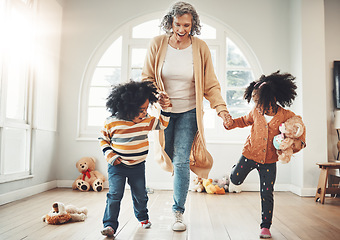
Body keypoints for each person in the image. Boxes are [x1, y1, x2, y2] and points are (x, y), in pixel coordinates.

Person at [141, 1, 233, 232]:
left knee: (182, 160)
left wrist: (221, 109)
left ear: (193, 25)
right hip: (164, 112)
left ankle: (178, 211)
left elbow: (211, 84)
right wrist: (157, 95)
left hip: (190, 112)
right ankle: (178, 190)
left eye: (187, 25)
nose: (182, 29)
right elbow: (146, 78)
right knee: (170, 154)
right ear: (170, 22)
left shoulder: (200, 47)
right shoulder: (157, 44)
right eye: (178, 24)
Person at [224, 71, 306, 239]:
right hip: (249, 155)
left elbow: (299, 128)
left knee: (267, 192)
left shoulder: (285, 115)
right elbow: (242, 121)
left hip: (269, 162)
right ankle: (231, 175)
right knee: (235, 180)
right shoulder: (256, 112)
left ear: (272, 98)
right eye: (255, 101)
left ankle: (265, 226)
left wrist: (296, 143)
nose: (257, 103)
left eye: (258, 100)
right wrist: (230, 123)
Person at [98, 81, 171, 238]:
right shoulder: (112, 122)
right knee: (114, 195)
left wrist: (165, 109)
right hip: (117, 166)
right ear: (127, 108)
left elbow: (163, 124)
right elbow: (103, 140)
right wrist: (110, 155)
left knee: (140, 194)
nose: (144, 113)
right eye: (140, 110)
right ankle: (110, 224)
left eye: (146, 109)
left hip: (138, 167)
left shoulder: (146, 121)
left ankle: (143, 217)